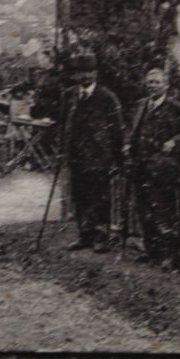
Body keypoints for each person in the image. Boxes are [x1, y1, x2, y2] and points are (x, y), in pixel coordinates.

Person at [122, 67, 180, 267]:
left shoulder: (176, 108)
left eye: (157, 82)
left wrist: (174, 141)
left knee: (163, 209)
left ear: (166, 85)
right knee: (143, 209)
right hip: (141, 166)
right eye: (150, 82)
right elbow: (130, 128)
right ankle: (151, 250)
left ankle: (168, 254)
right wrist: (127, 143)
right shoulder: (140, 106)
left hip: (162, 168)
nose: (153, 86)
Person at [60, 57, 124, 252]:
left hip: (99, 156)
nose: (85, 76)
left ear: (96, 73)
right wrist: (62, 150)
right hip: (76, 155)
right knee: (80, 196)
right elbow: (63, 124)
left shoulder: (106, 97)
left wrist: (116, 157)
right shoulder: (70, 95)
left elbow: (117, 128)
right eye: (81, 72)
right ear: (76, 74)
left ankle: (101, 236)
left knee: (100, 197)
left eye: (89, 71)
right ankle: (84, 235)